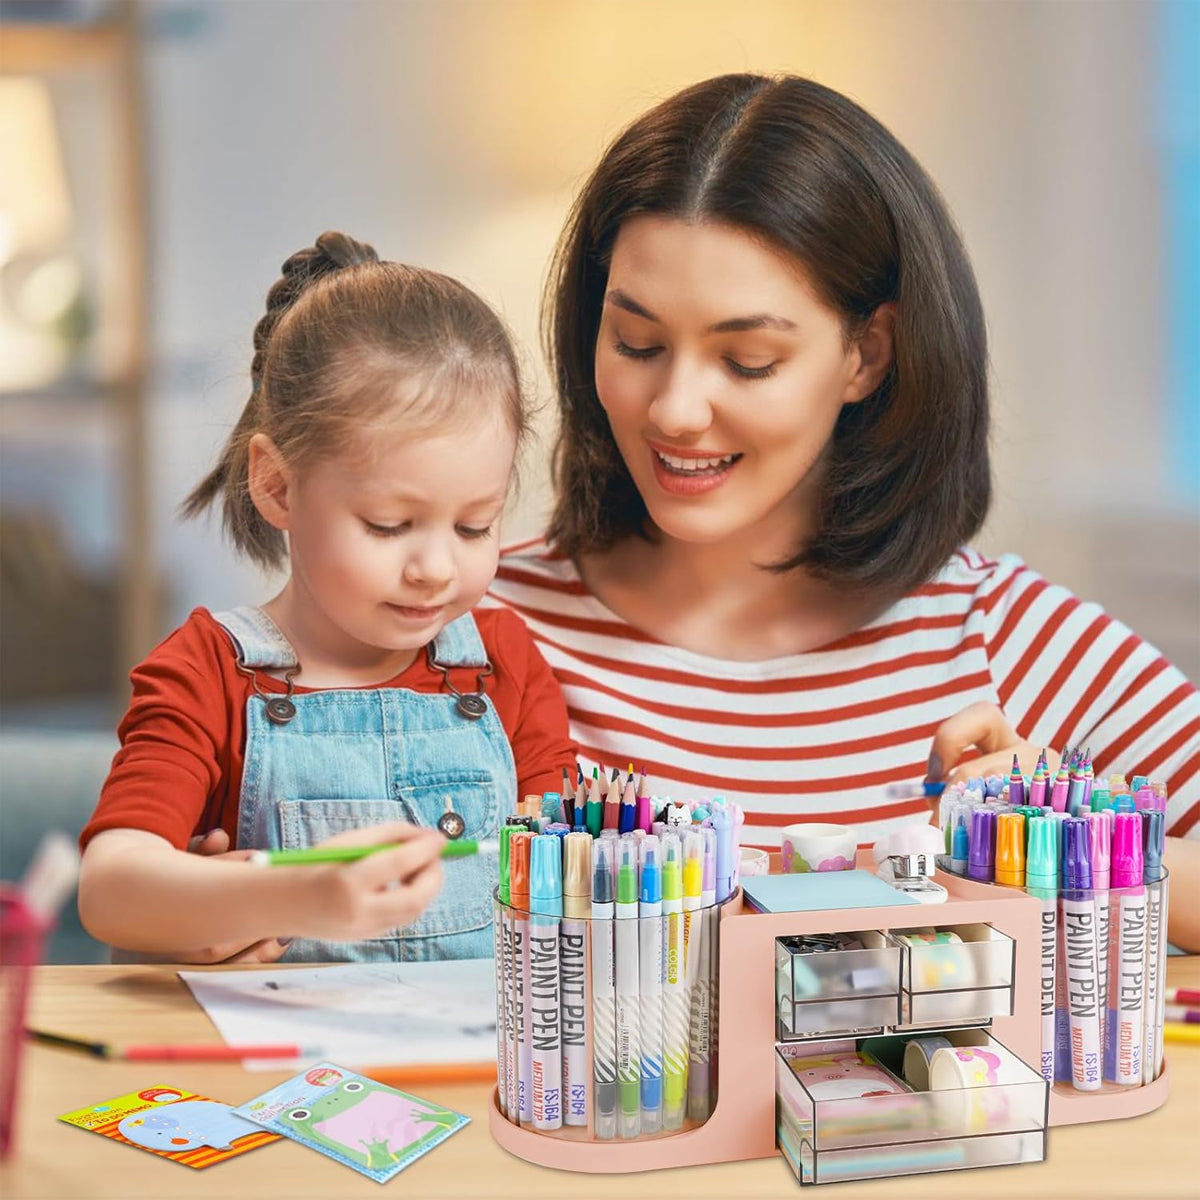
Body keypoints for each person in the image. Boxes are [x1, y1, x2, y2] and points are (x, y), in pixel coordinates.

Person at [482, 75, 1200, 948]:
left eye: (747, 360)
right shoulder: (477, 628)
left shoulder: (1006, 637)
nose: (674, 409)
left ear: (867, 355)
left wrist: (1066, 842)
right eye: (637, 343)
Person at [78, 231, 574, 963]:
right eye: (389, 525)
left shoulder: (502, 661)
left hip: (476, 1068)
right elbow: (110, 888)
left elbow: (567, 852)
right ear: (276, 485)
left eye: (476, 525)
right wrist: (291, 896)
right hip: (283, 1071)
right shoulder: (209, 671)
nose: (436, 568)